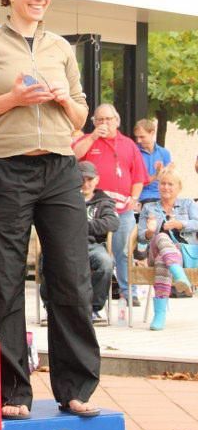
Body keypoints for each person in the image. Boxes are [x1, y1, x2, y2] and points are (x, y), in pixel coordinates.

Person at [0, 0, 100, 419]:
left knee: (71, 276)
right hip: (8, 169)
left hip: (60, 169)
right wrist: (14, 99)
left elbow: (82, 117)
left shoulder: (61, 47)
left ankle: (75, 387)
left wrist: (61, 98)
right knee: (4, 277)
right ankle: (12, 391)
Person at [73, 104, 147, 306]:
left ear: (117, 121)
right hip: (93, 209)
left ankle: (128, 291)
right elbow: (74, 155)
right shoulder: (89, 140)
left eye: (108, 119)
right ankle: (91, 299)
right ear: (94, 122)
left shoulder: (129, 144)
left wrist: (134, 197)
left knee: (123, 251)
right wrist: (93, 136)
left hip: (122, 208)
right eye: (99, 119)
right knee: (94, 255)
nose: (104, 123)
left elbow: (138, 176)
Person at [138, 167, 196, 330]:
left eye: (170, 184)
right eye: (163, 184)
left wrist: (181, 224)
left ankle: (160, 314)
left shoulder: (188, 204)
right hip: (155, 249)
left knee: (163, 261)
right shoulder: (149, 208)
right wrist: (150, 231)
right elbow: (142, 236)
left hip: (182, 253)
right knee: (161, 237)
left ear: (179, 187)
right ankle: (179, 275)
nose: (166, 187)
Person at [77, 161, 119, 321]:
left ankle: (93, 308)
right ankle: (52, 307)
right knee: (48, 259)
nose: (86, 183)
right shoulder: (65, 198)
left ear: (96, 180)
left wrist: (83, 226)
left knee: (106, 262)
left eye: (90, 179)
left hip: (93, 245)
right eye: (82, 179)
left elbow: (113, 223)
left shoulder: (104, 201)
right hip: (66, 244)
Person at [134, 118, 172, 206]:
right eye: (137, 137)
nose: (138, 140)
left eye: (142, 137)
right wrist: (157, 174)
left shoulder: (164, 153)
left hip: (162, 197)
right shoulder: (134, 152)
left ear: (152, 133)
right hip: (141, 197)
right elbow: (137, 182)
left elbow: (169, 179)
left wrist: (168, 171)